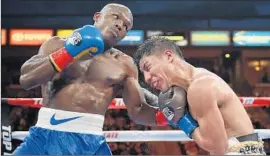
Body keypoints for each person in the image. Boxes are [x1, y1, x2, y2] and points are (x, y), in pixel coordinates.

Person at [15, 3, 160, 155]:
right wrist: (68, 52)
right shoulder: (57, 44)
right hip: (46, 136)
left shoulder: (125, 65)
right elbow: (26, 79)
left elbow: (137, 111)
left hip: (92, 144)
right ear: (97, 17)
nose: (119, 25)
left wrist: (164, 116)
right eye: (115, 17)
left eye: (126, 26)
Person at [133, 37, 266, 155]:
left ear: (168, 56)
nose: (147, 77)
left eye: (148, 67)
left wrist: (182, 120)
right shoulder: (196, 81)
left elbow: (217, 147)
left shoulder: (199, 87)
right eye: (143, 73)